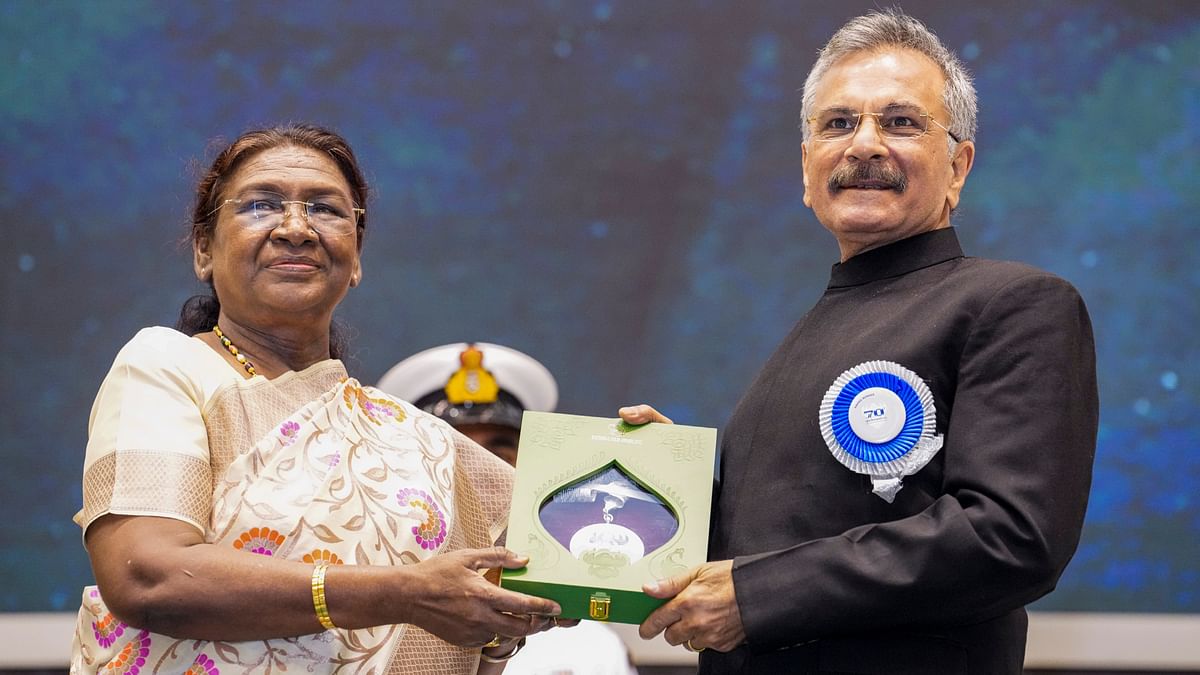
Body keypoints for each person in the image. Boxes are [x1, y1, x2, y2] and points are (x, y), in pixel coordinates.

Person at [627, 10, 1098, 674]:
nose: (864, 145)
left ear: (958, 164)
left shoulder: (1013, 303)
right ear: (806, 167)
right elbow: (780, 541)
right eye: (838, 123)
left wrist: (758, 594)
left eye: (901, 122)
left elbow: (1011, 536)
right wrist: (669, 493)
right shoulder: (806, 332)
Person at [70, 123, 564, 674]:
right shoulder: (168, 367)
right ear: (204, 250)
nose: (296, 229)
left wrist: (652, 460)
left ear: (355, 259)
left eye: (326, 209)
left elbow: (573, 547)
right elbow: (148, 578)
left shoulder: (414, 439)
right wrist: (402, 593)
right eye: (260, 205)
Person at [378, 343, 639, 675]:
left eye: (497, 459)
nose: (478, 477)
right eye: (454, 459)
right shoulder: (372, 622)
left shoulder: (587, 644)